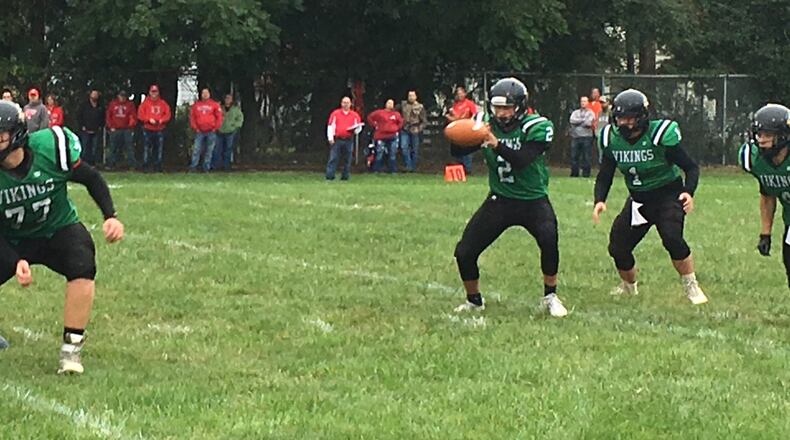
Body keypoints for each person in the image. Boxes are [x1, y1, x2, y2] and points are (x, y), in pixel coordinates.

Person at [0, 101, 124, 373]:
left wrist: (110, 215)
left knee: (82, 261)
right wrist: (14, 258)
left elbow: (90, 177)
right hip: (9, 236)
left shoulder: (51, 148)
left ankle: (71, 350)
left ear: (18, 134)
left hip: (56, 229)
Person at [451, 78, 567, 317]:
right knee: (465, 251)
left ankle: (550, 296)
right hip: (500, 199)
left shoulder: (536, 125)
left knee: (549, 240)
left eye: (507, 108)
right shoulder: (485, 123)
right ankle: (474, 300)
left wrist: (496, 144)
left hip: (533, 199)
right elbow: (458, 151)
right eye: (498, 108)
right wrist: (462, 136)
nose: (501, 113)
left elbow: (523, 159)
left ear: (520, 106)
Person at [592, 89, 707, 305]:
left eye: (630, 118)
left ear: (643, 117)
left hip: (668, 195)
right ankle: (629, 288)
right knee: (618, 247)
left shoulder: (660, 134)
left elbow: (691, 168)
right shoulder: (611, 139)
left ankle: (691, 285)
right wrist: (600, 199)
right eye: (621, 118)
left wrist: (688, 192)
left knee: (672, 238)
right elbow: (605, 173)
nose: (625, 123)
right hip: (639, 200)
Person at [738, 103, 790, 287]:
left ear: (783, 136)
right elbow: (767, 193)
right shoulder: (755, 159)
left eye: (768, 134)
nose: (761, 139)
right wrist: (765, 234)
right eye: (759, 134)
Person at [325, 96, 362, 180]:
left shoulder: (355, 115)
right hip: (337, 139)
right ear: (341, 103)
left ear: (350, 104)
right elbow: (331, 126)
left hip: (349, 139)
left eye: (347, 103)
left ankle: (345, 176)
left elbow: (358, 127)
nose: (346, 104)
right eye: (344, 103)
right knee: (333, 158)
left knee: (348, 159)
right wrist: (330, 138)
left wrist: (355, 130)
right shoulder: (335, 114)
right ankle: (330, 176)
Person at [137, 85, 172, 172]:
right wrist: (148, 120)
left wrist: (161, 120)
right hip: (147, 128)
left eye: (155, 92)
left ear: (158, 92)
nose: (154, 94)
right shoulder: (145, 104)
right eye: (152, 92)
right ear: (149, 92)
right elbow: (140, 115)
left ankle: (158, 166)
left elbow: (167, 114)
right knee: (146, 148)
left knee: (159, 149)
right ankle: (146, 166)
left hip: (160, 129)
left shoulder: (163, 103)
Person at [189, 88, 223, 172]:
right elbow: (192, 117)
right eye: (203, 93)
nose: (205, 95)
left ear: (209, 94)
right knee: (196, 149)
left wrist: (216, 128)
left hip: (211, 131)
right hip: (199, 131)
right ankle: (193, 167)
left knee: (209, 150)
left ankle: (206, 168)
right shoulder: (196, 105)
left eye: (206, 93)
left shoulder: (214, 105)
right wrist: (195, 128)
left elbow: (219, 117)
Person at [367, 99, 405, 173]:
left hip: (393, 136)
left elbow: (401, 122)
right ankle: (376, 170)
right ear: (386, 104)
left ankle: (392, 170)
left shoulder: (396, 114)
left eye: (391, 103)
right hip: (381, 136)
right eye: (389, 103)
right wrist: (375, 125)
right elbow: (370, 117)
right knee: (379, 152)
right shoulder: (379, 113)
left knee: (392, 153)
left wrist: (397, 128)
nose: (390, 105)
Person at [446, 86, 478, 174]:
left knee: (467, 149)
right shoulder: (455, 105)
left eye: (461, 93)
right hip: (457, 130)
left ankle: (468, 169)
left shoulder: (469, 104)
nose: (459, 95)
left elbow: (474, 115)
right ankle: (460, 168)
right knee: (457, 150)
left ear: (465, 94)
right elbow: (451, 117)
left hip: (466, 130)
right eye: (458, 94)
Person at [105, 91, 138, 169]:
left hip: (127, 129)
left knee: (129, 147)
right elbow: (108, 116)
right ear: (118, 96)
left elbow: (133, 116)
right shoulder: (113, 104)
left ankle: (131, 165)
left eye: (124, 96)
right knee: (113, 147)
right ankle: (111, 164)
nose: (122, 98)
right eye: (121, 96)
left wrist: (131, 125)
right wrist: (110, 126)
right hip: (115, 129)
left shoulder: (130, 105)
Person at [213, 94, 244, 171]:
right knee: (218, 149)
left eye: (229, 98)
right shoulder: (220, 108)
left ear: (232, 100)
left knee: (228, 149)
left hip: (230, 132)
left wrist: (234, 126)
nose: (227, 99)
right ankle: (217, 166)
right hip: (220, 131)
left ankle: (226, 166)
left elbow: (240, 119)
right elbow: (213, 116)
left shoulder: (236, 109)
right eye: (226, 98)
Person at [399, 91, 427, 171]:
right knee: (404, 147)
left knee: (415, 149)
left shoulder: (420, 107)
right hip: (405, 129)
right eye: (409, 96)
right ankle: (408, 165)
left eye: (412, 96)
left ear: (416, 97)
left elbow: (424, 121)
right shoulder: (403, 105)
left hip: (415, 128)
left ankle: (413, 167)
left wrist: (419, 129)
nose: (411, 97)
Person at [569, 96, 595, 177]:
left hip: (587, 137)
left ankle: (586, 174)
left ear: (588, 103)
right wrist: (583, 121)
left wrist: (578, 122)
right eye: (582, 101)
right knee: (574, 156)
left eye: (584, 101)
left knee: (586, 156)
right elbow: (572, 120)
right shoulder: (575, 112)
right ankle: (574, 173)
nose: (583, 103)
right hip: (576, 137)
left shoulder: (591, 112)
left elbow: (589, 123)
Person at [77, 90, 105, 165]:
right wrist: (82, 126)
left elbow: (103, 117)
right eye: (93, 94)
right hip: (85, 130)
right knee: (85, 147)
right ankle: (83, 164)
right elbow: (79, 116)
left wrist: (101, 126)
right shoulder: (84, 105)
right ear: (90, 95)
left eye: (96, 94)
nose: (95, 96)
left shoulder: (100, 106)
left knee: (95, 148)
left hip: (96, 130)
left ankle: (93, 163)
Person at [596, 96, 611, 163]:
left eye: (603, 102)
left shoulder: (610, 112)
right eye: (601, 103)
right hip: (599, 135)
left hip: (608, 135)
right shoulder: (599, 113)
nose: (602, 104)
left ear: (608, 102)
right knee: (600, 152)